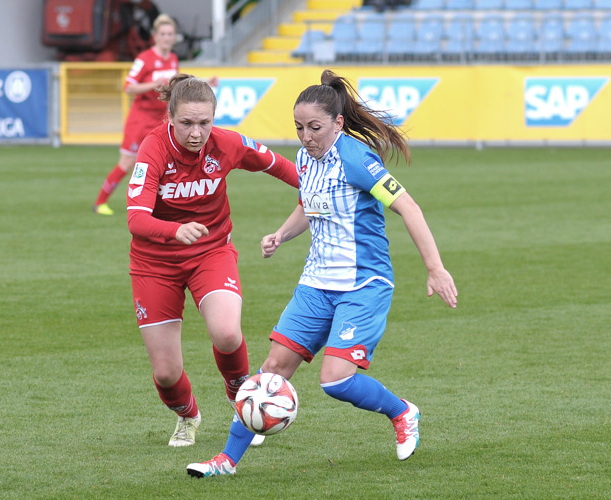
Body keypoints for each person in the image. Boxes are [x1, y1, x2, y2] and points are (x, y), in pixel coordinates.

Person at [187, 70, 458, 477]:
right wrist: (282, 234)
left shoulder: (357, 160)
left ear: (338, 123)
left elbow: (409, 208)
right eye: (299, 127)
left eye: (314, 127)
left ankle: (402, 412)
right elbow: (309, 206)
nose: (305, 136)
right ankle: (226, 461)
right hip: (316, 283)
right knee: (270, 372)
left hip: (362, 285)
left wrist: (435, 269)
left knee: (335, 381)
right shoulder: (304, 158)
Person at [127, 74, 298, 447]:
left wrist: (318, 187)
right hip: (155, 262)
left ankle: (243, 402)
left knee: (226, 332)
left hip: (212, 251)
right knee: (167, 373)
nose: (196, 132)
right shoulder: (153, 149)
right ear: (170, 117)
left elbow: (281, 166)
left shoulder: (227, 143)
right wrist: (174, 231)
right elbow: (136, 219)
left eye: (204, 123)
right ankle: (187, 416)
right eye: (186, 123)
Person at [93, 13, 179, 215]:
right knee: (127, 162)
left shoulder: (173, 59)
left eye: (170, 34)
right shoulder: (144, 59)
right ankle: (100, 203)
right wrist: (153, 85)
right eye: (163, 33)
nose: (167, 37)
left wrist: (206, 83)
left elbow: (174, 85)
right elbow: (128, 87)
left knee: (165, 162)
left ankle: (161, 205)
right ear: (155, 36)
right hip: (140, 118)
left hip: (161, 119)